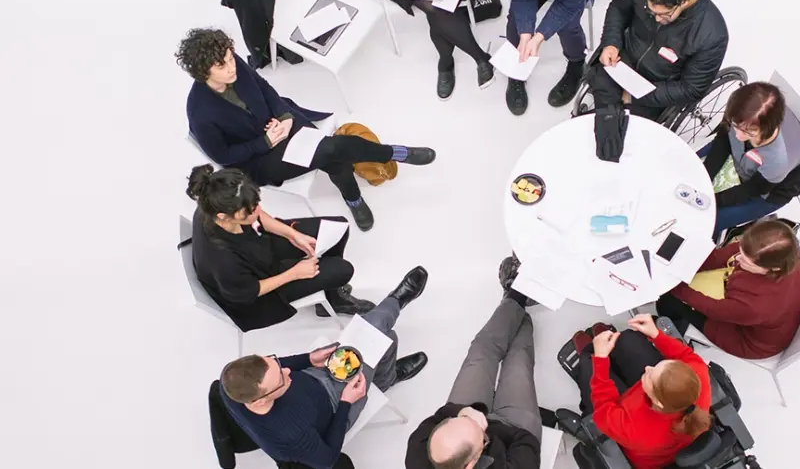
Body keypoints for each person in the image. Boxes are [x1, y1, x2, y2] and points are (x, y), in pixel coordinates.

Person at [178, 28, 437, 231]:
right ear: (202, 73)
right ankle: (391, 155)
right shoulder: (200, 113)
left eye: (230, 58)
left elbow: (264, 88)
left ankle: (356, 196)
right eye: (222, 66)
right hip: (260, 159)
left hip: (278, 123)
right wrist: (265, 142)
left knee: (331, 153)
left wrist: (284, 117)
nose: (231, 66)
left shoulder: (234, 64)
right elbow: (224, 156)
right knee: (331, 150)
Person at [219, 266, 430, 469]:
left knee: (384, 337)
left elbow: (280, 368)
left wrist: (309, 359)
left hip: (317, 374)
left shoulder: (229, 379)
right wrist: (346, 402)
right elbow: (328, 459)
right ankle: (395, 303)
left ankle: (385, 376)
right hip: (337, 406)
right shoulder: (292, 438)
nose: (287, 371)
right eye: (281, 378)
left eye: (275, 363)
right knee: (382, 335)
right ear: (260, 400)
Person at [186, 164, 374, 327]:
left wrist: (293, 234)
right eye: (250, 210)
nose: (258, 210)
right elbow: (250, 292)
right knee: (343, 270)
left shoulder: (213, 202)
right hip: (256, 292)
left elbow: (258, 215)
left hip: (259, 248)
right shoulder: (224, 262)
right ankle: (334, 298)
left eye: (256, 203)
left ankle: (331, 291)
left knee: (338, 227)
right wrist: (294, 273)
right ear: (224, 217)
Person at [405, 269, 541, 468]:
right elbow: (527, 442)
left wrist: (463, 412)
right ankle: (518, 305)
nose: (479, 419)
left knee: (481, 350)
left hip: (468, 419)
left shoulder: (416, 456)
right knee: (519, 362)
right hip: (514, 432)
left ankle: (516, 297)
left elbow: (440, 416)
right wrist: (487, 427)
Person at [591, 0, 729, 122]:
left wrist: (638, 94)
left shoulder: (712, 35)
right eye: (650, 11)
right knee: (598, 117)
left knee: (615, 126)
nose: (656, 19)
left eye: (664, 14)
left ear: (683, 1)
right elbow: (619, 8)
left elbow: (691, 89)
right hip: (621, 63)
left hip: (656, 91)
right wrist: (611, 43)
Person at [567, 315, 711, 469]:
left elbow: (603, 409)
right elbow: (685, 355)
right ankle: (611, 346)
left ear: (657, 401)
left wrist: (600, 359)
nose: (648, 368)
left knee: (589, 367)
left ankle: (588, 353)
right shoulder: (698, 373)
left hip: (632, 428)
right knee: (627, 340)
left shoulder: (636, 430)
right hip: (646, 402)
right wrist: (656, 334)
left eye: (650, 374)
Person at [657, 219, 800, 360]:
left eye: (746, 261)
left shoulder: (755, 306)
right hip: (774, 320)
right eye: (741, 250)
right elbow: (726, 255)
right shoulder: (788, 255)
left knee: (668, 301)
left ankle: (675, 331)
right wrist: (687, 267)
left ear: (773, 268)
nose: (738, 258)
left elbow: (713, 309)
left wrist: (672, 283)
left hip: (746, 339)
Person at [699, 81, 800, 239]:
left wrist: (712, 200)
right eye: (735, 125)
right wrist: (704, 177)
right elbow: (723, 138)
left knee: (713, 219)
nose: (738, 135)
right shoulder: (739, 113)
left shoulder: (778, 160)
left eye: (748, 132)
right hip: (744, 159)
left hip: (769, 191)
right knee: (691, 169)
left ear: (766, 129)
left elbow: (752, 190)